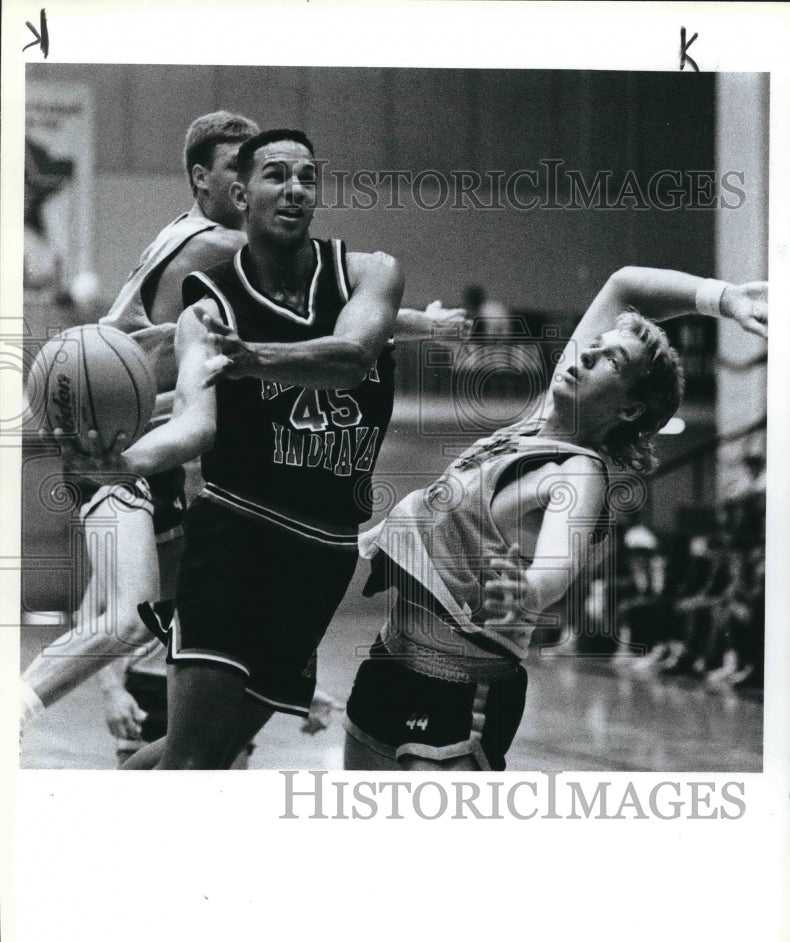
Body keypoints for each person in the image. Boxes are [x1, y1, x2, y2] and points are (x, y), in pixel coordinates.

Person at [20, 113, 465, 761]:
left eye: (297, 175)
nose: (258, 184)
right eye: (247, 169)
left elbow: (331, 325)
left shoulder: (199, 243)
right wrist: (422, 322)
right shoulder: (215, 250)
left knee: (143, 625)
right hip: (122, 441)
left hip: (157, 445)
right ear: (205, 179)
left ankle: (141, 713)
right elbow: (326, 308)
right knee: (126, 617)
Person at [342, 268, 768, 771]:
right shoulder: (537, 423)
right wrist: (725, 297)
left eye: (611, 358)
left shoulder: (577, 470)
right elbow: (625, 286)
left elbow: (557, 564)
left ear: (630, 409)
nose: (586, 354)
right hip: (389, 662)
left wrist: (530, 592)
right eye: (595, 345)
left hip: (457, 689)